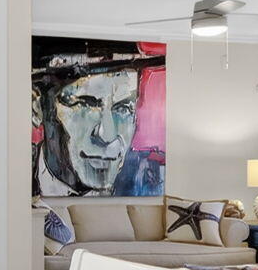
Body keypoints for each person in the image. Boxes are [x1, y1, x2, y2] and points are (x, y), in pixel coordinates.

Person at [32, 53, 165, 196]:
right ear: (37, 108)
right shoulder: (12, 181)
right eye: (84, 104)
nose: (107, 136)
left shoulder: (149, 180)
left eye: (123, 108)